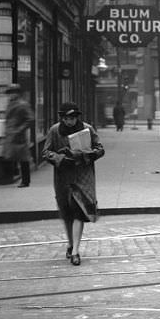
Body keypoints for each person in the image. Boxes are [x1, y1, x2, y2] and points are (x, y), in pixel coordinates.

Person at [41, 102, 105, 266]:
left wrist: (83, 154)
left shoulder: (88, 129)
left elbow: (100, 148)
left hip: (83, 178)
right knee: (67, 213)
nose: (70, 122)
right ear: (62, 118)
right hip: (63, 178)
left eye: (73, 118)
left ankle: (75, 251)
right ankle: (71, 244)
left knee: (79, 212)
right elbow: (46, 152)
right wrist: (61, 159)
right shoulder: (55, 131)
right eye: (67, 118)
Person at [1, 84, 35, 188]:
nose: (10, 95)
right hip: (10, 134)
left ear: (17, 93)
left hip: (18, 135)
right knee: (9, 156)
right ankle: (9, 178)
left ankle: (25, 181)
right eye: (9, 93)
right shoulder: (10, 104)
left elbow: (30, 119)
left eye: (12, 93)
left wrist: (19, 129)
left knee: (23, 159)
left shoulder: (22, 104)